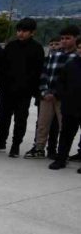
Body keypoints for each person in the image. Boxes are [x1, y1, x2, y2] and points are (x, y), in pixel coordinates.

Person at [0, 18, 45, 157]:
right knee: (3, 118)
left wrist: (32, 90)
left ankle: (15, 145)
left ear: (32, 32)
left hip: (24, 92)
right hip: (7, 90)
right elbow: (2, 67)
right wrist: (2, 86)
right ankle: (1, 142)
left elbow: (38, 72)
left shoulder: (37, 48)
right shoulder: (11, 46)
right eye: (19, 30)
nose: (20, 34)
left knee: (20, 119)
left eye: (24, 31)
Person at [24, 25, 80, 159]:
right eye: (62, 38)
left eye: (68, 38)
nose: (64, 41)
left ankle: (62, 153)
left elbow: (69, 81)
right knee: (43, 124)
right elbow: (44, 74)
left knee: (65, 127)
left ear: (76, 39)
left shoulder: (76, 58)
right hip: (46, 96)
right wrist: (44, 91)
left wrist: (58, 94)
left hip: (64, 99)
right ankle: (39, 148)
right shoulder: (54, 55)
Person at [49, 38, 81, 171]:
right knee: (66, 134)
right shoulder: (71, 64)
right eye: (80, 47)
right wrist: (63, 95)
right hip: (70, 105)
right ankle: (61, 159)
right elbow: (60, 82)